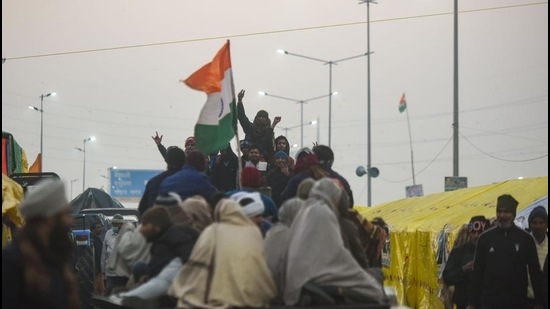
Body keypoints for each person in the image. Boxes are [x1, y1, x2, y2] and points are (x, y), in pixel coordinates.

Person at [284, 178, 386, 306]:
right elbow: (339, 252)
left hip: (302, 278)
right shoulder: (323, 212)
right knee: (374, 290)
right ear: (333, 198)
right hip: (316, 280)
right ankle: (339, 291)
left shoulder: (305, 210)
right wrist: (360, 274)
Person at [168, 198, 276, 308]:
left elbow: (198, 260)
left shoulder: (211, 231)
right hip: (250, 293)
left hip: (216, 292)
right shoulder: (253, 231)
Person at [2, 179, 82, 309]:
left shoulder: (55, 259)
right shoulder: (12, 261)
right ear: (49, 219)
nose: (71, 221)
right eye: (66, 214)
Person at [467, 194, 544, 309]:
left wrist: (539, 302)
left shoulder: (525, 239)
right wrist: (471, 303)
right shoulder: (485, 238)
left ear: (513, 214)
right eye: (499, 212)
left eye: (506, 212)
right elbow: (477, 272)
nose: (502, 216)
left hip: (518, 302)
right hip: (489, 302)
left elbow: (535, 273)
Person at [442, 216, 489, 309]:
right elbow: (447, 277)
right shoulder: (459, 252)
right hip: (464, 303)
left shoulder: (493, 251)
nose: (476, 236)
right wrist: (463, 270)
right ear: (469, 232)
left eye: (480, 233)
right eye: (473, 232)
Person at [138, 145, 186, 216]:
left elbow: (142, 210)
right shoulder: (190, 182)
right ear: (184, 161)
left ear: (167, 161)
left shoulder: (154, 182)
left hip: (156, 222)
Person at [237, 89, 281, 163]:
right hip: (248, 160)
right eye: (259, 116)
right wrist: (240, 101)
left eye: (263, 117)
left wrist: (273, 125)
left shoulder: (268, 132)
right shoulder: (250, 128)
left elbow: (270, 146)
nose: (261, 118)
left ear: (267, 120)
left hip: (264, 161)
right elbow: (242, 117)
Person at [526, 206, 548, 307]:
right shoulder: (523, 244)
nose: (537, 226)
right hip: (528, 299)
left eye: (541, 222)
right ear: (530, 225)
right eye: (534, 222)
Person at [102, 214, 129, 295]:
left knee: (120, 291)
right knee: (110, 290)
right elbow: (103, 253)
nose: (114, 226)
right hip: (110, 270)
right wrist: (103, 270)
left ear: (122, 225)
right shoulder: (108, 234)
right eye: (113, 224)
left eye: (116, 225)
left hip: (122, 272)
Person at [91, 220, 106, 296]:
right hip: (96, 269)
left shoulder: (98, 240)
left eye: (100, 227)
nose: (100, 229)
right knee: (99, 288)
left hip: (99, 269)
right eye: (98, 227)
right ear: (93, 229)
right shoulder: (92, 240)